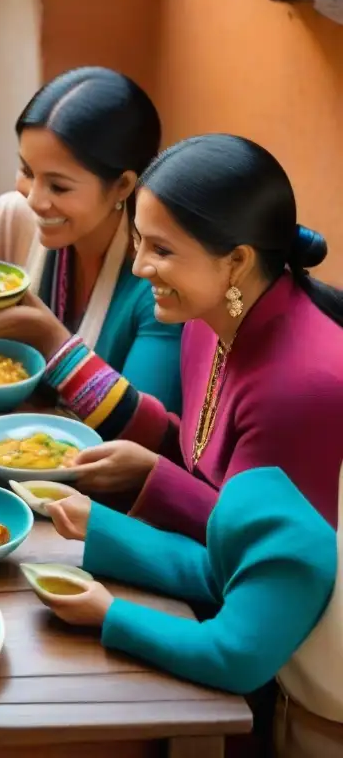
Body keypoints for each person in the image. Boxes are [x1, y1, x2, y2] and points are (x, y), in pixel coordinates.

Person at [49, 134, 343, 540]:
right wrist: (146, 466)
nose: (138, 267)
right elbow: (202, 458)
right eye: (138, 240)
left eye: (162, 250)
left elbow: (265, 550)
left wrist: (151, 482)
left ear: (237, 261)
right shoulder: (203, 319)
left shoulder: (298, 387)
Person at [42, 464, 342, 758]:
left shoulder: (294, 565)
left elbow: (232, 656)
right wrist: (100, 526)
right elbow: (213, 573)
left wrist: (109, 613)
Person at [0, 67, 181, 412]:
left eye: (58, 186)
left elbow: (148, 437)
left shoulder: (161, 285)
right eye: (27, 171)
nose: (34, 199)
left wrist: (49, 339)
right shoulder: (9, 220)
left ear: (123, 185)